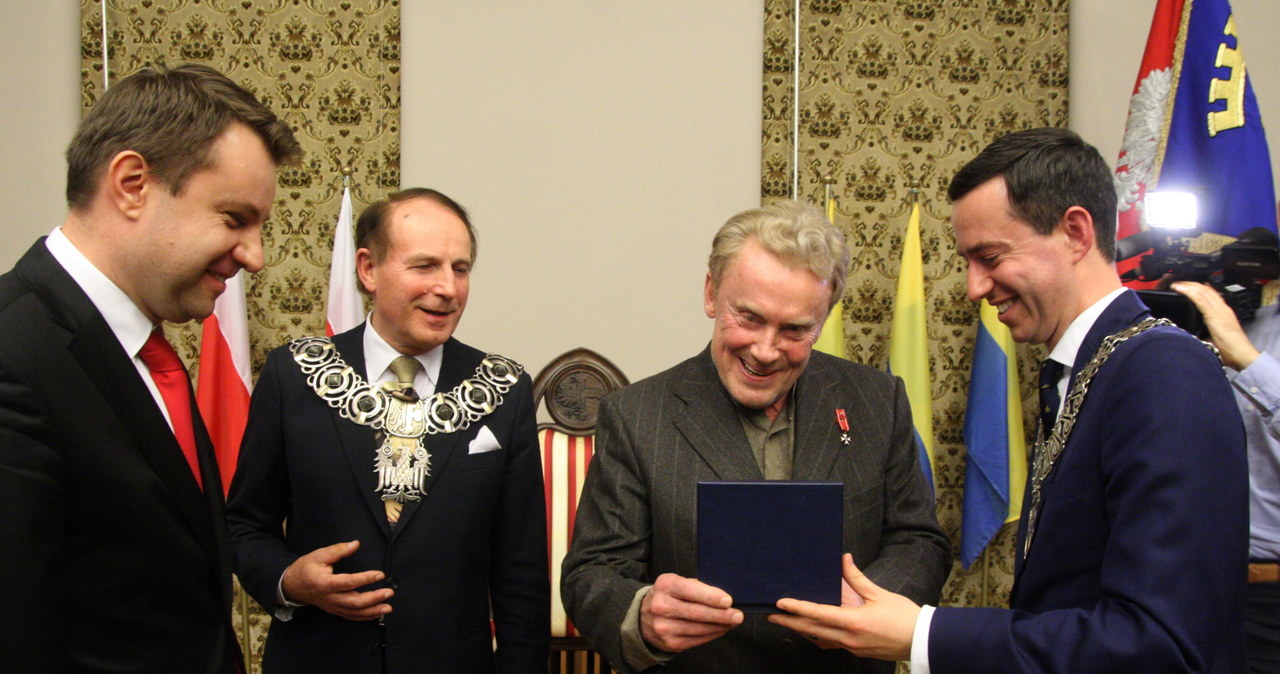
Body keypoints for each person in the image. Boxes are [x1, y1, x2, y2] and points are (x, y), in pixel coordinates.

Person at [769, 127, 1249, 673]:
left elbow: (1162, 644)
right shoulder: (1092, 368)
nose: (975, 287)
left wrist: (922, 635)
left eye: (990, 257)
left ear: (1074, 232)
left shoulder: (1164, 373)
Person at [560, 199, 951, 674]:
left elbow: (919, 541)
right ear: (710, 294)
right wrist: (642, 613)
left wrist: (871, 600)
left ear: (824, 319)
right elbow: (592, 573)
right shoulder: (637, 415)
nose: (765, 350)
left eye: (794, 329)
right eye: (748, 318)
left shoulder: (877, 400)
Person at [0, 64, 300, 671]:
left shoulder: (146, 351)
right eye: (235, 218)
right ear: (133, 184)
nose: (256, 257)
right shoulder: (14, 355)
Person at [227, 188, 549, 672]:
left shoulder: (503, 389)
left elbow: (521, 568)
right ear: (368, 269)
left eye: (460, 269)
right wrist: (289, 579)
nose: (448, 288)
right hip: (317, 659)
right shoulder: (293, 375)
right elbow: (244, 526)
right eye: (425, 266)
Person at [1172, 226, 1280, 674]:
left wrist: (1248, 361)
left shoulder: (1246, 341)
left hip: (1268, 599)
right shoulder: (1228, 318)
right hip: (1186, 578)